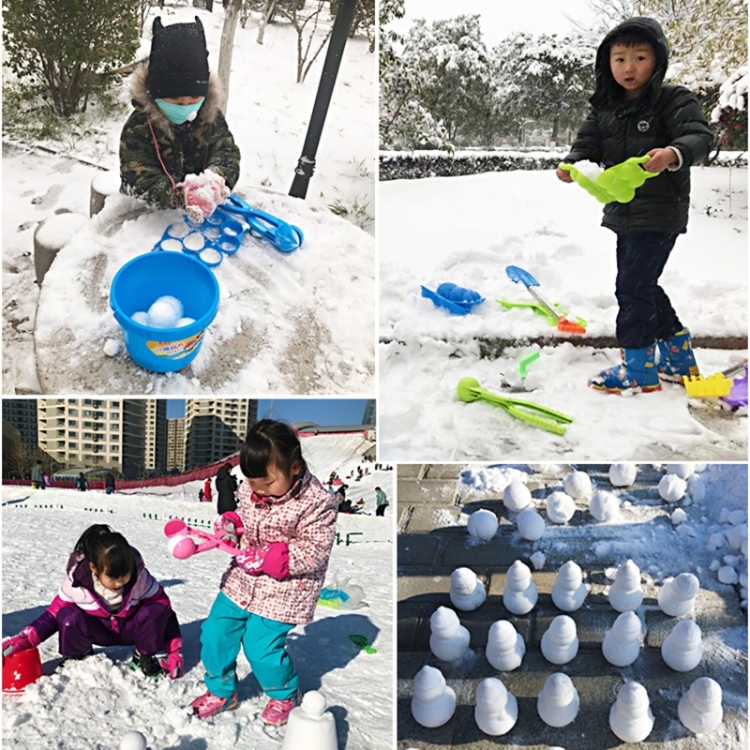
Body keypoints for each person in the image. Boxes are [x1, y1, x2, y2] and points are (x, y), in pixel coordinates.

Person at [556, 17, 714, 395]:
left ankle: (639, 368)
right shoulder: (604, 107)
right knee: (643, 284)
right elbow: (587, 144)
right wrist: (573, 164)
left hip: (660, 210)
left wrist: (673, 153)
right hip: (623, 210)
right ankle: (678, 359)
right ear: (607, 64)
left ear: (656, 60)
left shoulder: (673, 99)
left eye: (640, 57)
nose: (629, 67)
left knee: (631, 288)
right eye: (620, 59)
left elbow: (700, 137)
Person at [190, 420, 338, 726]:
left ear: (294, 467)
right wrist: (231, 527)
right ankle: (222, 691)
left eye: (266, 483)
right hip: (242, 581)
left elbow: (315, 550)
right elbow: (242, 516)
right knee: (216, 632)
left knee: (260, 646)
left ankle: (285, 693)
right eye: (251, 482)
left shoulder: (317, 503)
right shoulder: (252, 487)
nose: (257, 489)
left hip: (285, 589)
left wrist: (272, 558)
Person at [1, 524, 182, 679]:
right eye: (113, 577)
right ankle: (79, 656)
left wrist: (174, 651)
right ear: (93, 568)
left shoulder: (140, 578)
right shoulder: (77, 584)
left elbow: (165, 610)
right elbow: (53, 614)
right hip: (98, 632)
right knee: (67, 615)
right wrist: (26, 639)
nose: (120, 583)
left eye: (124, 575)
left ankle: (143, 657)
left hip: (130, 630)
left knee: (155, 609)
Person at [120, 17, 240, 223]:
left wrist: (215, 179)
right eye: (174, 98)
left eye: (194, 98)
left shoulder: (211, 118)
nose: (185, 105)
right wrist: (178, 195)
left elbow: (226, 152)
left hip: (207, 215)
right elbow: (137, 179)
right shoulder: (139, 127)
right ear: (155, 93)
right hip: (149, 218)